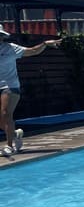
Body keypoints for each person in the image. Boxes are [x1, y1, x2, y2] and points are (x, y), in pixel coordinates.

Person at [0, 25, 61, 157]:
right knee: (1, 120)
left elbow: (32, 51)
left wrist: (44, 43)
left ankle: (9, 146)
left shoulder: (10, 48)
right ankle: (15, 134)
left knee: (6, 113)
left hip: (9, 86)